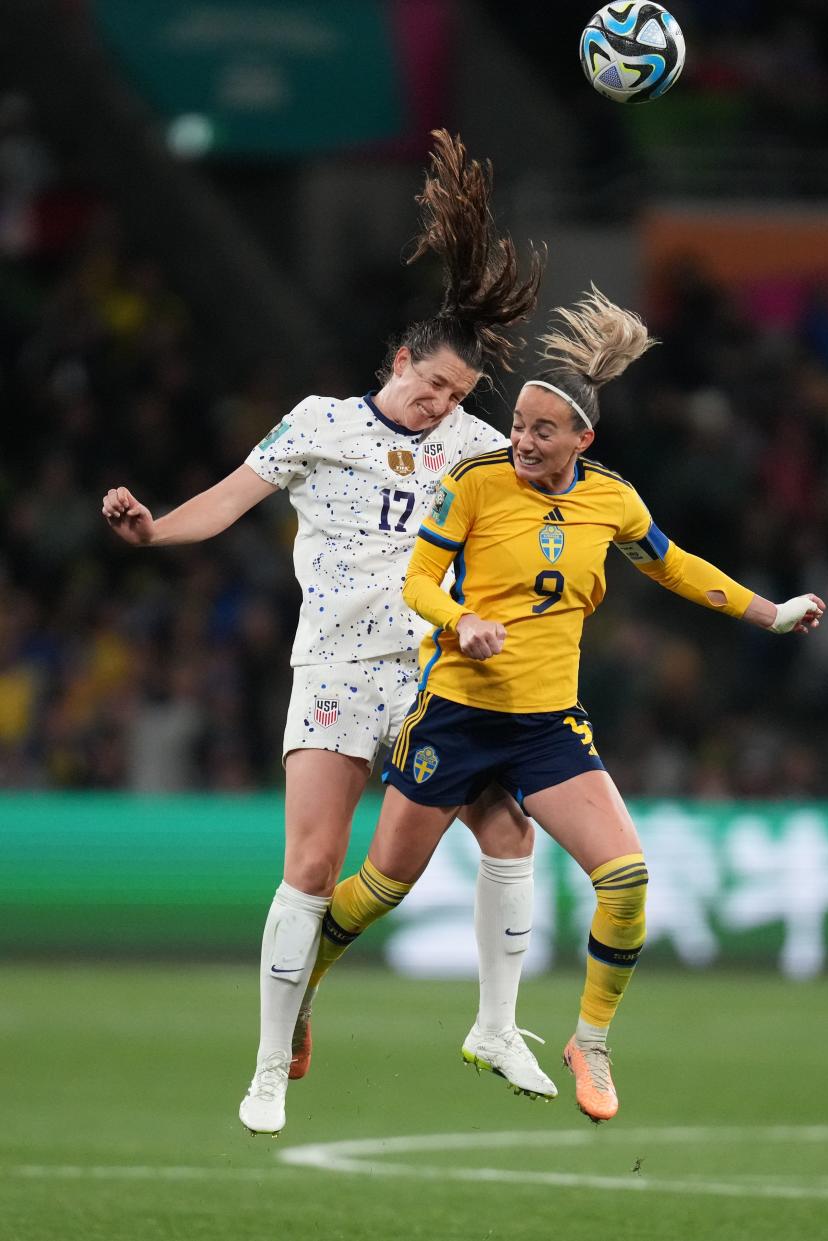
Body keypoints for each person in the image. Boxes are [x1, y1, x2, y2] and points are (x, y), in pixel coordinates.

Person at [101, 130, 556, 1137]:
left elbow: (555, 505)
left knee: (507, 831)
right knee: (311, 863)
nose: (441, 406)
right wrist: (152, 528)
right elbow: (220, 505)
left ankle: (497, 1022)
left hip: (439, 670)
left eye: (456, 397)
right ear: (396, 361)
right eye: (430, 386)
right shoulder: (317, 425)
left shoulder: (482, 449)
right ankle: (268, 1067)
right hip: (342, 665)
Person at [296, 286, 827, 1123]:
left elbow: (677, 565)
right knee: (381, 886)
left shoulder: (611, 499)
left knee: (627, 879)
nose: (522, 441)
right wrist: (461, 619)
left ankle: (592, 1040)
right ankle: (302, 991)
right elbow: (418, 582)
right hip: (457, 713)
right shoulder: (475, 481)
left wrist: (772, 611)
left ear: (583, 438)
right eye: (518, 427)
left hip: (548, 726)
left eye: (542, 432)